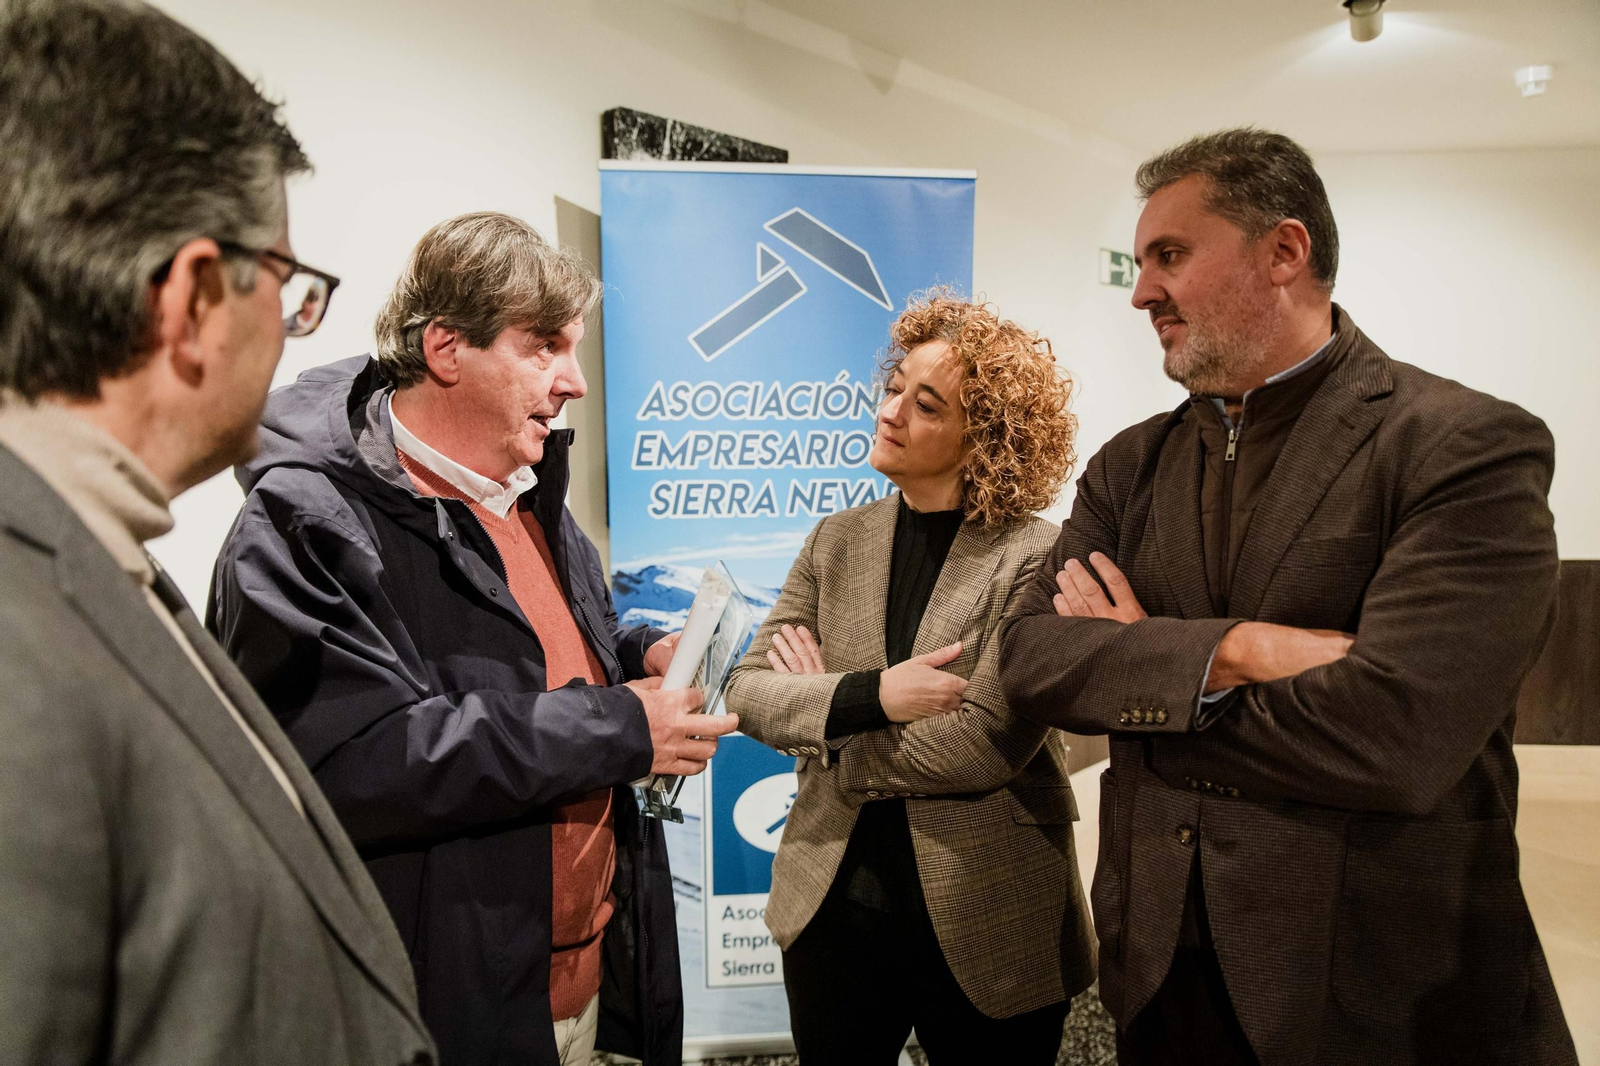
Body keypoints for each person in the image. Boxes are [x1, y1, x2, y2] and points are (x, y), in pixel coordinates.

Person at [999, 128, 1578, 1066]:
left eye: (1170, 256)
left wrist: (1145, 672)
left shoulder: (1461, 446)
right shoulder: (1129, 464)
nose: (1142, 292)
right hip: (1160, 976)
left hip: (1376, 985)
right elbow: (1030, 661)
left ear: (1284, 251)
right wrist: (1238, 652)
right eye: (1141, 264)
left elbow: (1398, 736)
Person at [0, 2, 434, 1063]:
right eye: (286, 286)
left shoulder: (98, 568)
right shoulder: (19, 646)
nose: (292, 329)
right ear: (195, 297)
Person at [207, 211, 736, 1066]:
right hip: (442, 1016)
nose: (576, 383)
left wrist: (637, 651)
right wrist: (618, 726)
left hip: (586, 989)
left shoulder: (527, 495)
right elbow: (348, 762)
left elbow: (551, 644)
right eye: (544, 347)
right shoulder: (304, 522)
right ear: (447, 348)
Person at [723, 292, 1096, 1065]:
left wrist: (824, 725)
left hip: (990, 907)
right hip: (832, 905)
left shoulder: (1035, 555)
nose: (890, 411)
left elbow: (981, 745)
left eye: (925, 405)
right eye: (894, 388)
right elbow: (749, 691)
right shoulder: (836, 540)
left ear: (984, 438)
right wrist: (873, 696)